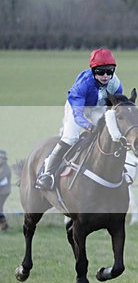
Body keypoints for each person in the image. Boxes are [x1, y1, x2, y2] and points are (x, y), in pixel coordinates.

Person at [36, 48, 123, 190]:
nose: (106, 75)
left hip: (97, 108)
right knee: (70, 137)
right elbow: (78, 115)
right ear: (93, 70)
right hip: (78, 109)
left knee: (110, 133)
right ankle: (47, 173)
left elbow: (116, 106)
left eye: (109, 71)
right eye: (101, 71)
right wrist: (88, 126)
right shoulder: (84, 84)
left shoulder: (115, 83)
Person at [0, 149, 11, 232]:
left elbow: (2, 181)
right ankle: (4, 225)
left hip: (3, 192)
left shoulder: (5, 169)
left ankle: (4, 224)